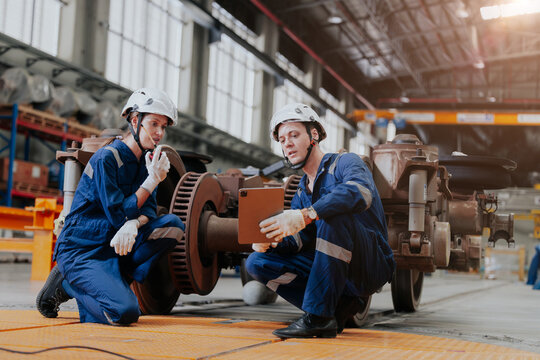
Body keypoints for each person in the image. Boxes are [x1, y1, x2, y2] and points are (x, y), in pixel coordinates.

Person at [245, 103, 395, 338]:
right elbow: (301, 240)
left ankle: (318, 317)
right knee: (257, 262)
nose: (288, 144)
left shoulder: (346, 163)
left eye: (294, 135)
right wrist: (272, 241)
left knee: (332, 215)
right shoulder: (302, 192)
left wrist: (308, 214)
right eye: (282, 140)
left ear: (313, 135)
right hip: (330, 269)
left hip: (368, 264)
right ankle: (334, 308)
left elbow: (360, 193)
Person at [36, 88, 185, 325]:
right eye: (154, 123)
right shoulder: (108, 158)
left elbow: (148, 210)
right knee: (124, 312)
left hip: (114, 244)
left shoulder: (148, 161)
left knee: (173, 226)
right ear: (135, 121)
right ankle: (66, 285)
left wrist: (135, 223)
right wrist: (151, 182)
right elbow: (117, 215)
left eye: (164, 127)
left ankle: (113, 279)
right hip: (82, 250)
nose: (159, 133)